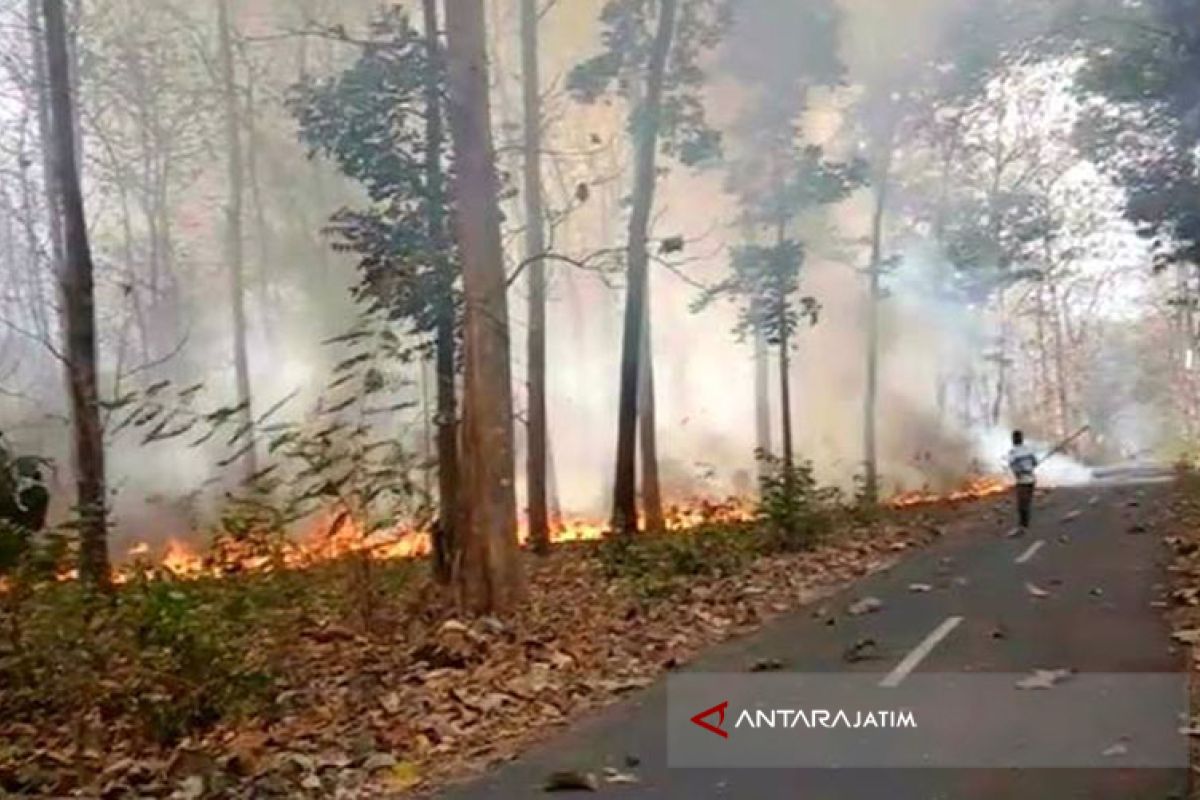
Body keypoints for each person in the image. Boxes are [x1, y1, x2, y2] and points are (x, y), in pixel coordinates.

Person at [1007, 430, 1038, 534]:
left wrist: (1018, 472)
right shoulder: (1028, 450)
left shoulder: (1013, 452)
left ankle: (1023, 525)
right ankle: (1025, 523)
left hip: (1022, 481)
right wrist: (1028, 467)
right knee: (1027, 502)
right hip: (1032, 479)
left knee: (1022, 504)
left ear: (1013, 440)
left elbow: (1012, 466)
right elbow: (1035, 462)